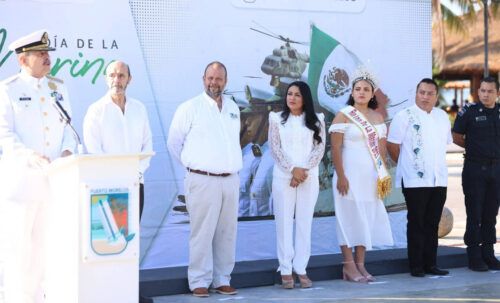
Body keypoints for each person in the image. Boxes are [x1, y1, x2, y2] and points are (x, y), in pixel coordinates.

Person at [0, 30, 75, 303]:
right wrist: (27, 154)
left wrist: (68, 150)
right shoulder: (8, 89)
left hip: (53, 184)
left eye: (47, 52)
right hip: (21, 184)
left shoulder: (58, 87)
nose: (47, 57)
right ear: (23, 60)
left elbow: (68, 126)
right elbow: (4, 133)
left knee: (44, 251)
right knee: (18, 252)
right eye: (40, 54)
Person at [167, 61, 242, 297]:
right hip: (202, 180)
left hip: (230, 180)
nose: (214, 83)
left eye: (219, 79)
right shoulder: (190, 108)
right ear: (203, 79)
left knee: (227, 232)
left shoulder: (232, 108)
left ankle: (222, 279)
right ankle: (199, 280)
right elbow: (174, 144)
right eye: (210, 78)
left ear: (225, 81)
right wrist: (196, 167)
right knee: (202, 232)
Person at [330, 70, 393, 283]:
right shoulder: (344, 115)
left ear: (372, 93)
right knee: (348, 218)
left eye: (366, 89)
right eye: (358, 89)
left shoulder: (377, 117)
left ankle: (360, 265)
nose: (362, 93)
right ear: (352, 92)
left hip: (369, 177)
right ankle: (348, 266)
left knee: (365, 218)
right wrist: (341, 176)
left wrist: (382, 175)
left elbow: (382, 152)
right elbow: (335, 148)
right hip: (348, 175)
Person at [387, 78, 451, 277]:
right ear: (416, 94)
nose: (425, 97)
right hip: (414, 180)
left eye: (430, 93)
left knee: (433, 223)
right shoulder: (404, 116)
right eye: (422, 92)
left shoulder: (442, 117)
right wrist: (408, 167)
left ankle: (431, 264)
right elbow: (392, 145)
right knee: (416, 222)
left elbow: (444, 146)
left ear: (436, 96)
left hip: (438, 179)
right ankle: (416, 265)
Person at [269, 81, 325, 288]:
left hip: (308, 178)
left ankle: (300, 267)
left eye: (297, 95)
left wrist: (302, 172)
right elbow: (275, 149)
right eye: (289, 94)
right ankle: (285, 269)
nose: (291, 98)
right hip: (284, 177)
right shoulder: (276, 119)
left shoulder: (317, 120)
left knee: (304, 223)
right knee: (283, 222)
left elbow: (319, 150)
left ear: (305, 99)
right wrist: (293, 169)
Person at [83, 60, 153, 220]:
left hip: (136, 183)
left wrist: (136, 172)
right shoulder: (96, 110)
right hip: (109, 186)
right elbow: (94, 151)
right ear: (106, 79)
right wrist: (117, 176)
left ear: (129, 79)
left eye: (121, 76)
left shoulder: (139, 109)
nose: (116, 80)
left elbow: (147, 146)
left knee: (133, 235)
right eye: (112, 75)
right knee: (112, 240)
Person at [451, 76, 500, 271]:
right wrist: (475, 148)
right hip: (474, 169)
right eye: (482, 90)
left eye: (489, 91)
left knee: (491, 213)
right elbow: (456, 136)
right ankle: (474, 255)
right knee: (474, 213)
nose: (485, 94)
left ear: (497, 93)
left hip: (496, 169)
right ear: (478, 92)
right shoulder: (468, 112)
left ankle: (489, 253)